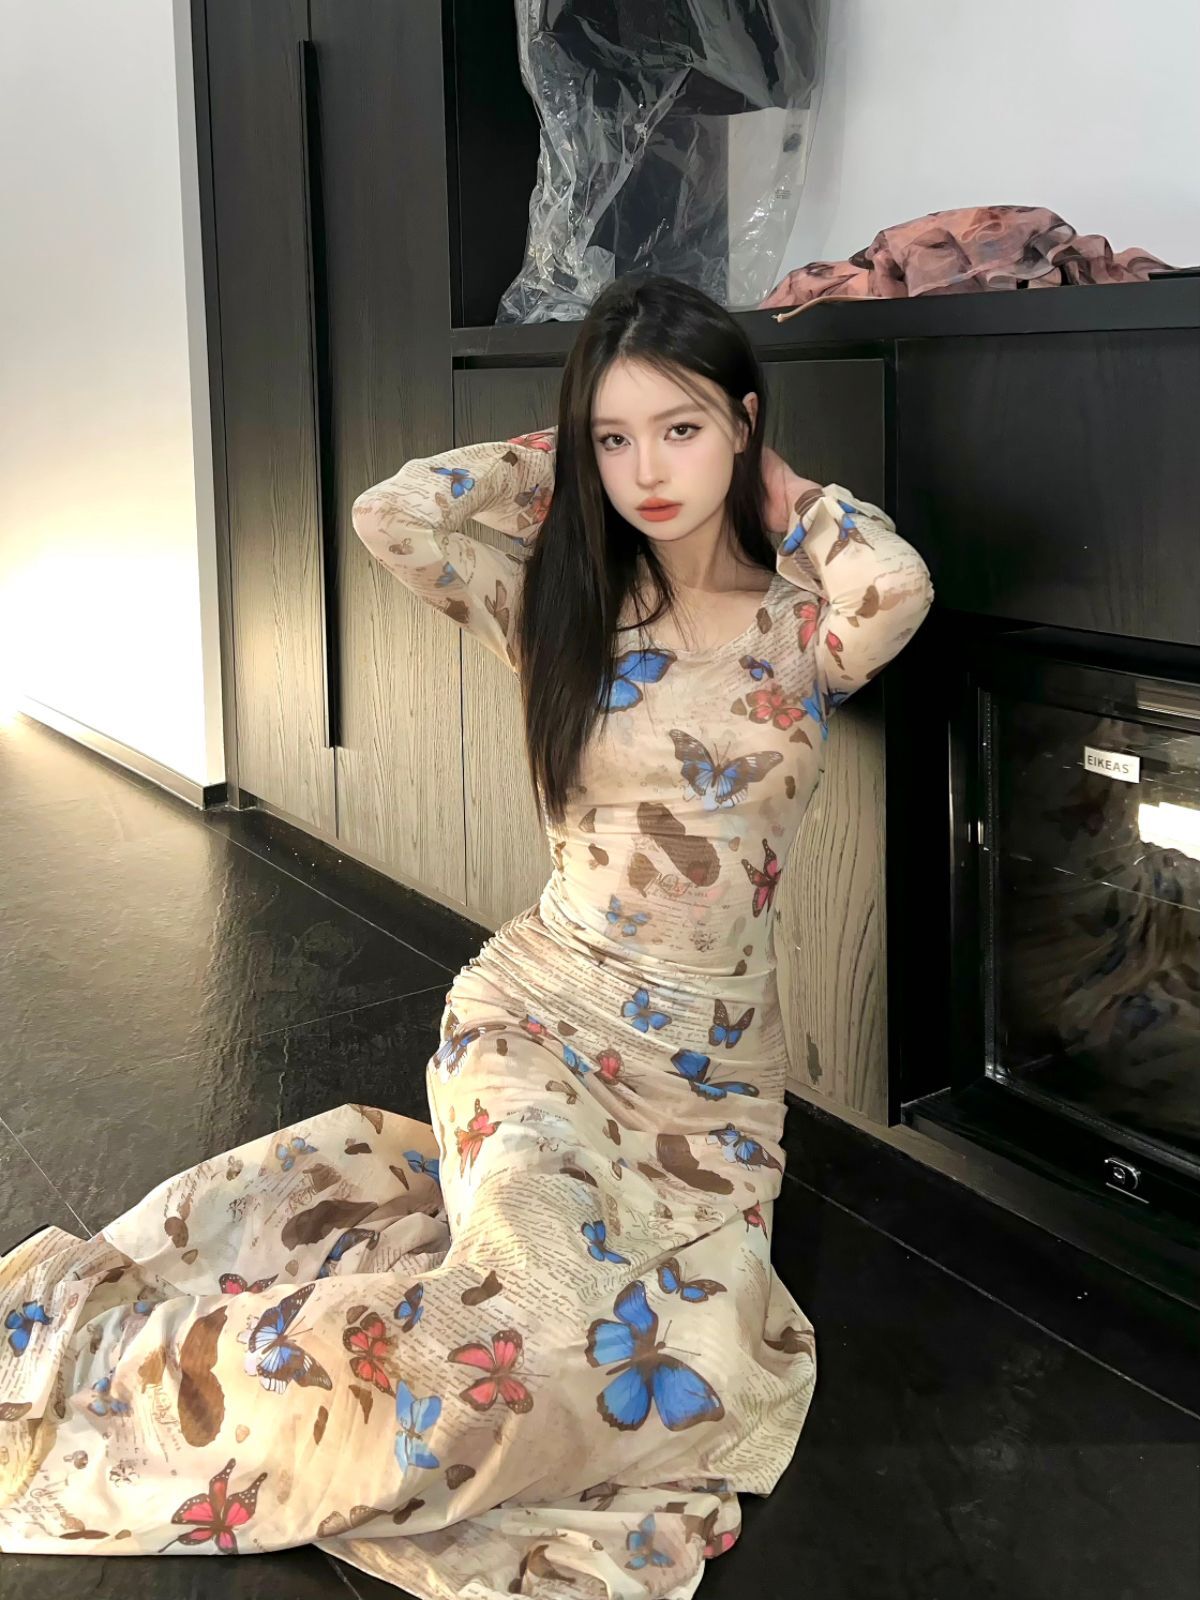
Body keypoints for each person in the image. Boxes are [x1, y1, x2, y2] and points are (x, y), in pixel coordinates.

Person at [0, 274, 933, 1597]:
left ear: (742, 420)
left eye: (680, 430)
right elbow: (397, 515)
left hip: (714, 1087)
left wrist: (784, 494)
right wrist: (569, 450)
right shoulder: (556, 610)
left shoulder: (802, 632)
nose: (648, 472)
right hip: (538, 1020)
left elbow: (894, 586)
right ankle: (115, 1384)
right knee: (518, 1329)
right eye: (615, 439)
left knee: (667, 1363)